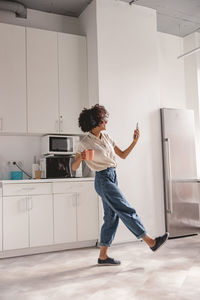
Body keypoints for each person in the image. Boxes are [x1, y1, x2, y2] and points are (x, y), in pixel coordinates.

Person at [72, 104, 168, 266]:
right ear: (95, 123)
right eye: (103, 120)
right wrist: (80, 158)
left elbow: (122, 155)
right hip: (102, 179)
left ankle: (103, 256)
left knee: (111, 217)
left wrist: (135, 141)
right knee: (124, 209)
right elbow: (73, 168)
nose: (106, 123)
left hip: (112, 176)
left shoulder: (107, 137)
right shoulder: (84, 143)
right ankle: (151, 242)